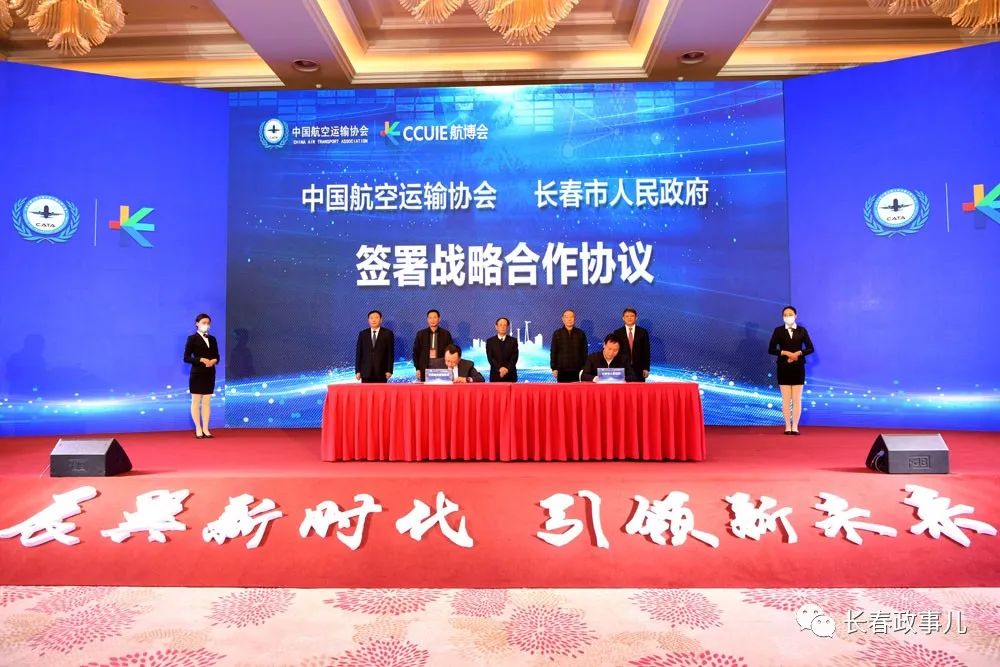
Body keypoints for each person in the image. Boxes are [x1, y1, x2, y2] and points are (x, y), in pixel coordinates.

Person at [767, 306, 815, 435]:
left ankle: (795, 427)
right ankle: (787, 426)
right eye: (785, 315)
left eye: (790, 314)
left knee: (797, 399)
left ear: (796, 316)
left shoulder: (802, 331)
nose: (788, 316)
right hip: (783, 367)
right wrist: (785, 353)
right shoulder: (778, 331)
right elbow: (771, 349)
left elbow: (810, 348)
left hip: (798, 367)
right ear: (782, 317)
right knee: (786, 399)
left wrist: (799, 353)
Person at [183, 313, 219, 439]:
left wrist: (213, 360)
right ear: (197, 323)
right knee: (196, 401)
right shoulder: (192, 338)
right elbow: (186, 358)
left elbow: (217, 356)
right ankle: (198, 428)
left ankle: (206, 428)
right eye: (204, 322)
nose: (206, 325)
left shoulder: (212, 339)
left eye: (208, 323)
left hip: (210, 373)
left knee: (207, 402)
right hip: (197, 373)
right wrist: (200, 359)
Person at [412, 309, 453, 382]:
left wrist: (449, 367)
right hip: (425, 367)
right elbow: (416, 352)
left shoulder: (446, 334)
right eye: (430, 318)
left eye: (435, 317)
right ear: (427, 320)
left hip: (442, 367)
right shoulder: (421, 334)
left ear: (439, 319)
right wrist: (417, 368)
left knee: (441, 387)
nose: (432, 320)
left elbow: (450, 352)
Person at [355, 310, 394, 383]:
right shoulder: (363, 334)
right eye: (371, 318)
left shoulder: (388, 333)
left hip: (381, 372)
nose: (374, 320)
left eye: (376, 317)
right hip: (365, 372)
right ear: (368, 320)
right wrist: (357, 371)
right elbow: (359, 353)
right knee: (366, 390)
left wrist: (389, 370)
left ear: (381, 320)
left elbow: (390, 353)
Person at [612, 307, 651, 382]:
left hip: (639, 368)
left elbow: (646, 351)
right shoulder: (617, 333)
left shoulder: (643, 332)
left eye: (632, 316)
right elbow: (615, 351)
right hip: (622, 368)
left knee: (638, 389)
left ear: (636, 318)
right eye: (627, 316)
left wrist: (646, 368)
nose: (629, 318)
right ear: (623, 318)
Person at [550, 309, 587, 383]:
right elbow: (553, 352)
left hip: (577, 370)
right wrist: (554, 368)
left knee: (576, 390)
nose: (569, 319)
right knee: (562, 390)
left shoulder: (581, 334)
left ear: (575, 319)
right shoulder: (557, 333)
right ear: (563, 319)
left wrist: (584, 368)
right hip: (562, 371)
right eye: (566, 317)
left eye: (571, 317)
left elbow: (584, 352)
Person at [485, 317, 519, 382]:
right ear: (496, 327)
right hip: (495, 375)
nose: (502, 327)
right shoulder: (490, 341)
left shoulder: (513, 341)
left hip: (510, 375)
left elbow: (514, 357)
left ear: (507, 327)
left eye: (505, 325)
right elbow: (490, 358)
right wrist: (500, 369)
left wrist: (507, 369)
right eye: (500, 325)